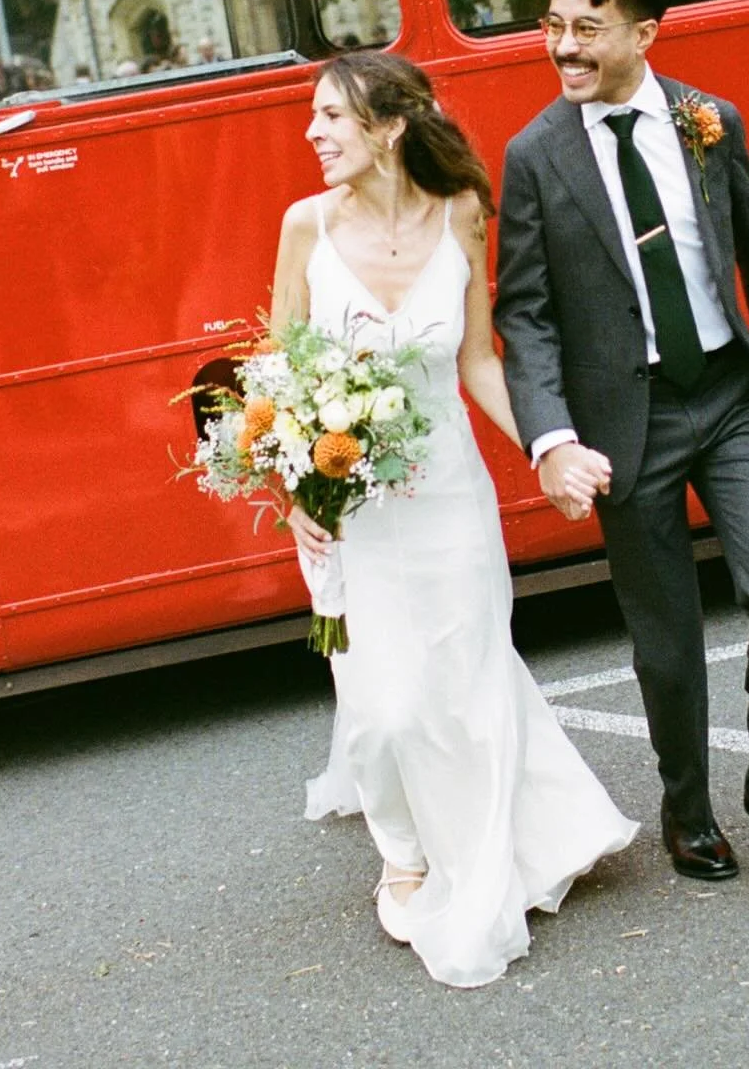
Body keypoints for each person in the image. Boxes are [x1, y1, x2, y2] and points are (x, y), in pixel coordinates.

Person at [271, 51, 636, 989]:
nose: (312, 134)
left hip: (451, 504)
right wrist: (292, 500)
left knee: (467, 688)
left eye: (330, 119)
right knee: (384, 712)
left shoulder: (461, 213)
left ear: (388, 129)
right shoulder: (304, 227)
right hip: (351, 513)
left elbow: (478, 361)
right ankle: (402, 847)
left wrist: (547, 448)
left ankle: (480, 850)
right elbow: (280, 383)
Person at [494, 0, 749, 885]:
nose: (563, 48)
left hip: (730, 397)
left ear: (644, 31)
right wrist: (553, 436)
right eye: (552, 27)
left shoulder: (707, 121)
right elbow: (522, 311)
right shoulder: (534, 156)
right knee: (668, 645)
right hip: (623, 422)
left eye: (587, 31)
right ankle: (687, 806)